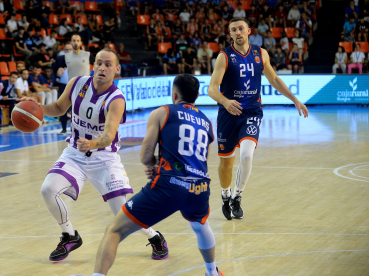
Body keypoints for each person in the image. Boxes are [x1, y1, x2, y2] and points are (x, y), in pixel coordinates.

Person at [21, 48, 168, 262]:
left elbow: (109, 135)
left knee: (122, 213)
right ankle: (69, 235)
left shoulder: (116, 99)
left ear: (117, 70)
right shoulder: (77, 83)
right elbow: (59, 107)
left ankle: (154, 236)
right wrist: (34, 108)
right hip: (75, 154)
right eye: (99, 63)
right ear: (93, 65)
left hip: (104, 158)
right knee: (48, 189)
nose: (102, 68)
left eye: (108, 64)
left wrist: (91, 143)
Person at [93, 74, 223, 276]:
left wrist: (155, 164)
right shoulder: (206, 122)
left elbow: (145, 157)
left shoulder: (163, 112)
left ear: (174, 94)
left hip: (170, 186)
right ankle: (212, 271)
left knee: (114, 230)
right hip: (200, 187)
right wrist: (163, 164)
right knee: (201, 225)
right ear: (197, 95)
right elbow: (199, 160)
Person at [208, 17, 308, 220]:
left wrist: (295, 100)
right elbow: (212, 89)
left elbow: (275, 80)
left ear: (248, 31)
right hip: (228, 113)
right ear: (230, 34)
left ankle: (237, 196)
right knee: (226, 163)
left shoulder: (260, 54)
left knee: (246, 156)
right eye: (233, 30)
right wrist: (226, 102)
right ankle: (225, 194)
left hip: (252, 113)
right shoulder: (224, 56)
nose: (238, 32)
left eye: (241, 29)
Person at [53, 43, 73, 134]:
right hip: (63, 86)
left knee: (75, 108)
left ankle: (75, 129)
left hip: (74, 86)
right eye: (66, 50)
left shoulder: (77, 60)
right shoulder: (59, 59)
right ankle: (64, 128)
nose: (68, 51)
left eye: (70, 49)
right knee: (62, 107)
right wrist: (58, 77)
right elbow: (54, 72)